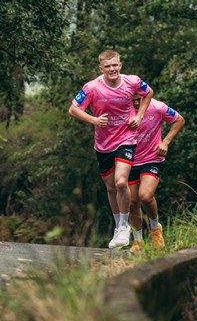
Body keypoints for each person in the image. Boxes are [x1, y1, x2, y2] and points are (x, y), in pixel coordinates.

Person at [68, 49, 154, 249]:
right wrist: (94, 120)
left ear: (120, 65)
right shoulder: (92, 88)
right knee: (110, 187)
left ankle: (124, 227)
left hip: (127, 138)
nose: (112, 69)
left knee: (121, 181)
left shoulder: (132, 81)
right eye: (107, 66)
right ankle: (118, 227)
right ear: (101, 68)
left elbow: (148, 92)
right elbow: (73, 109)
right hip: (104, 143)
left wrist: (139, 116)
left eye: (115, 65)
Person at [127, 97, 185, 251]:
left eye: (139, 99)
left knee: (145, 196)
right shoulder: (122, 107)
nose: (136, 103)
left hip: (152, 159)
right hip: (129, 160)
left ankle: (155, 230)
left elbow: (179, 120)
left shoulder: (158, 107)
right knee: (132, 202)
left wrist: (165, 142)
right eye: (133, 99)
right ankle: (138, 241)